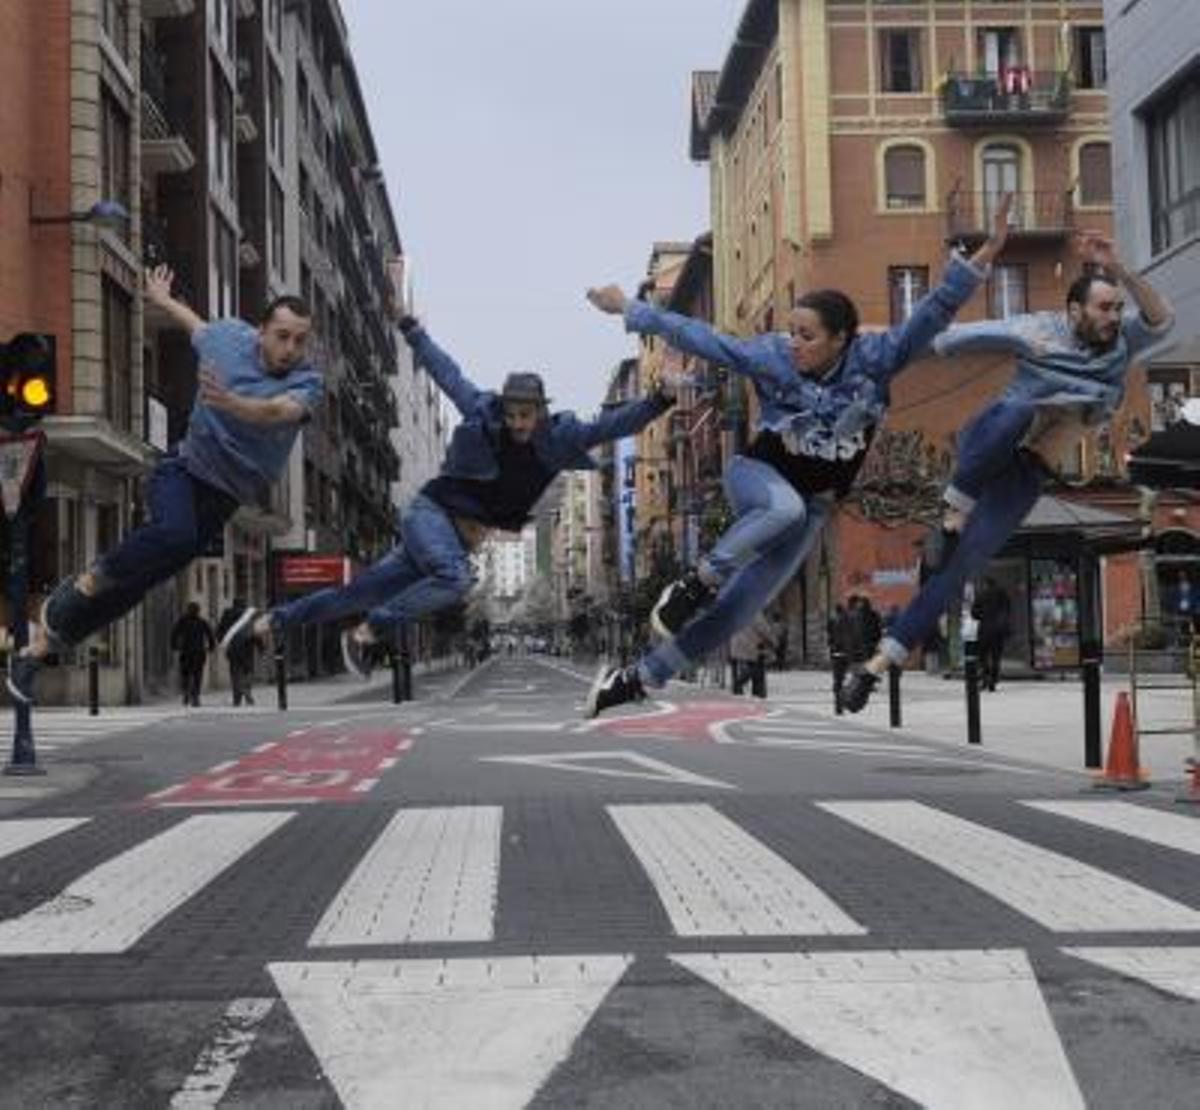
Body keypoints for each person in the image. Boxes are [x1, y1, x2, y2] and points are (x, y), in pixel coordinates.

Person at [583, 197, 1014, 717]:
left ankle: (636, 680)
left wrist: (982, 257)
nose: (793, 345)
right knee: (779, 510)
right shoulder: (771, 356)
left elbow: (933, 312)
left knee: (741, 609)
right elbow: (707, 340)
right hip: (757, 476)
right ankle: (697, 582)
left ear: (840, 340)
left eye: (806, 337)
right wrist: (630, 309)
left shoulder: (876, 359)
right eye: (791, 332)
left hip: (813, 506)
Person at [222, 314, 679, 676]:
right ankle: (367, 632)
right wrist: (413, 331)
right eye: (513, 414)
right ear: (503, 408)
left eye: (528, 416)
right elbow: (447, 374)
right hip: (431, 514)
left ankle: (261, 624)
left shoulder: (561, 437)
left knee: (354, 593)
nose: (519, 424)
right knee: (456, 580)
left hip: (450, 538)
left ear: (542, 413)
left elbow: (614, 425)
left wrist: (658, 402)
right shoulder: (483, 412)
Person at [841, 231, 1174, 712]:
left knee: (957, 573)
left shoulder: (1122, 344)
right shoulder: (1035, 329)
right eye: (1103, 309)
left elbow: (1161, 318)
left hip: (1028, 471)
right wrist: (868, 342)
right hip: (987, 442)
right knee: (1019, 408)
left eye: (1116, 309)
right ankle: (952, 513)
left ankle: (873, 668)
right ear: (1074, 312)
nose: (1113, 318)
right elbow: (944, 339)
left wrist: (1117, 268)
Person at [7, 266, 321, 704]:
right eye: (282, 336)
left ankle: (38, 650)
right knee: (171, 534)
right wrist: (162, 298)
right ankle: (90, 578)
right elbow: (196, 327)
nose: (290, 349)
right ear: (261, 332)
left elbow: (278, 413)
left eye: (300, 341)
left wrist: (232, 403)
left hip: (223, 500)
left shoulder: (307, 382)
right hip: (183, 471)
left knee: (139, 585)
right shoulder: (230, 339)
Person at [170, 601, 215, 707]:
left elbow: (174, 634)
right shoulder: (202, 622)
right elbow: (210, 635)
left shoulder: (182, 621)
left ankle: (186, 692)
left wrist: (174, 646)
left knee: (185, 674)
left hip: (186, 652)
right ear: (198, 611)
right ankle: (195, 696)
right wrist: (211, 647)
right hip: (199, 652)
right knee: (198, 675)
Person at [971, 576, 1011, 691]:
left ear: (985, 584)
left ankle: (985, 678)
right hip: (998, 631)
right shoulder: (1002, 594)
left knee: (983, 656)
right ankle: (993, 680)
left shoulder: (981, 595)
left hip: (985, 630)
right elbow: (1007, 610)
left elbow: (974, 613)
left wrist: (982, 616)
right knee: (996, 657)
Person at [216, 597, 257, 706]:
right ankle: (246, 688)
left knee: (235, 672)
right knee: (248, 670)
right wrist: (260, 645)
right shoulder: (247, 615)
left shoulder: (227, 614)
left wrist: (222, 642)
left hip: (232, 648)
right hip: (247, 647)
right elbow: (254, 631)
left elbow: (220, 630)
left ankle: (237, 697)